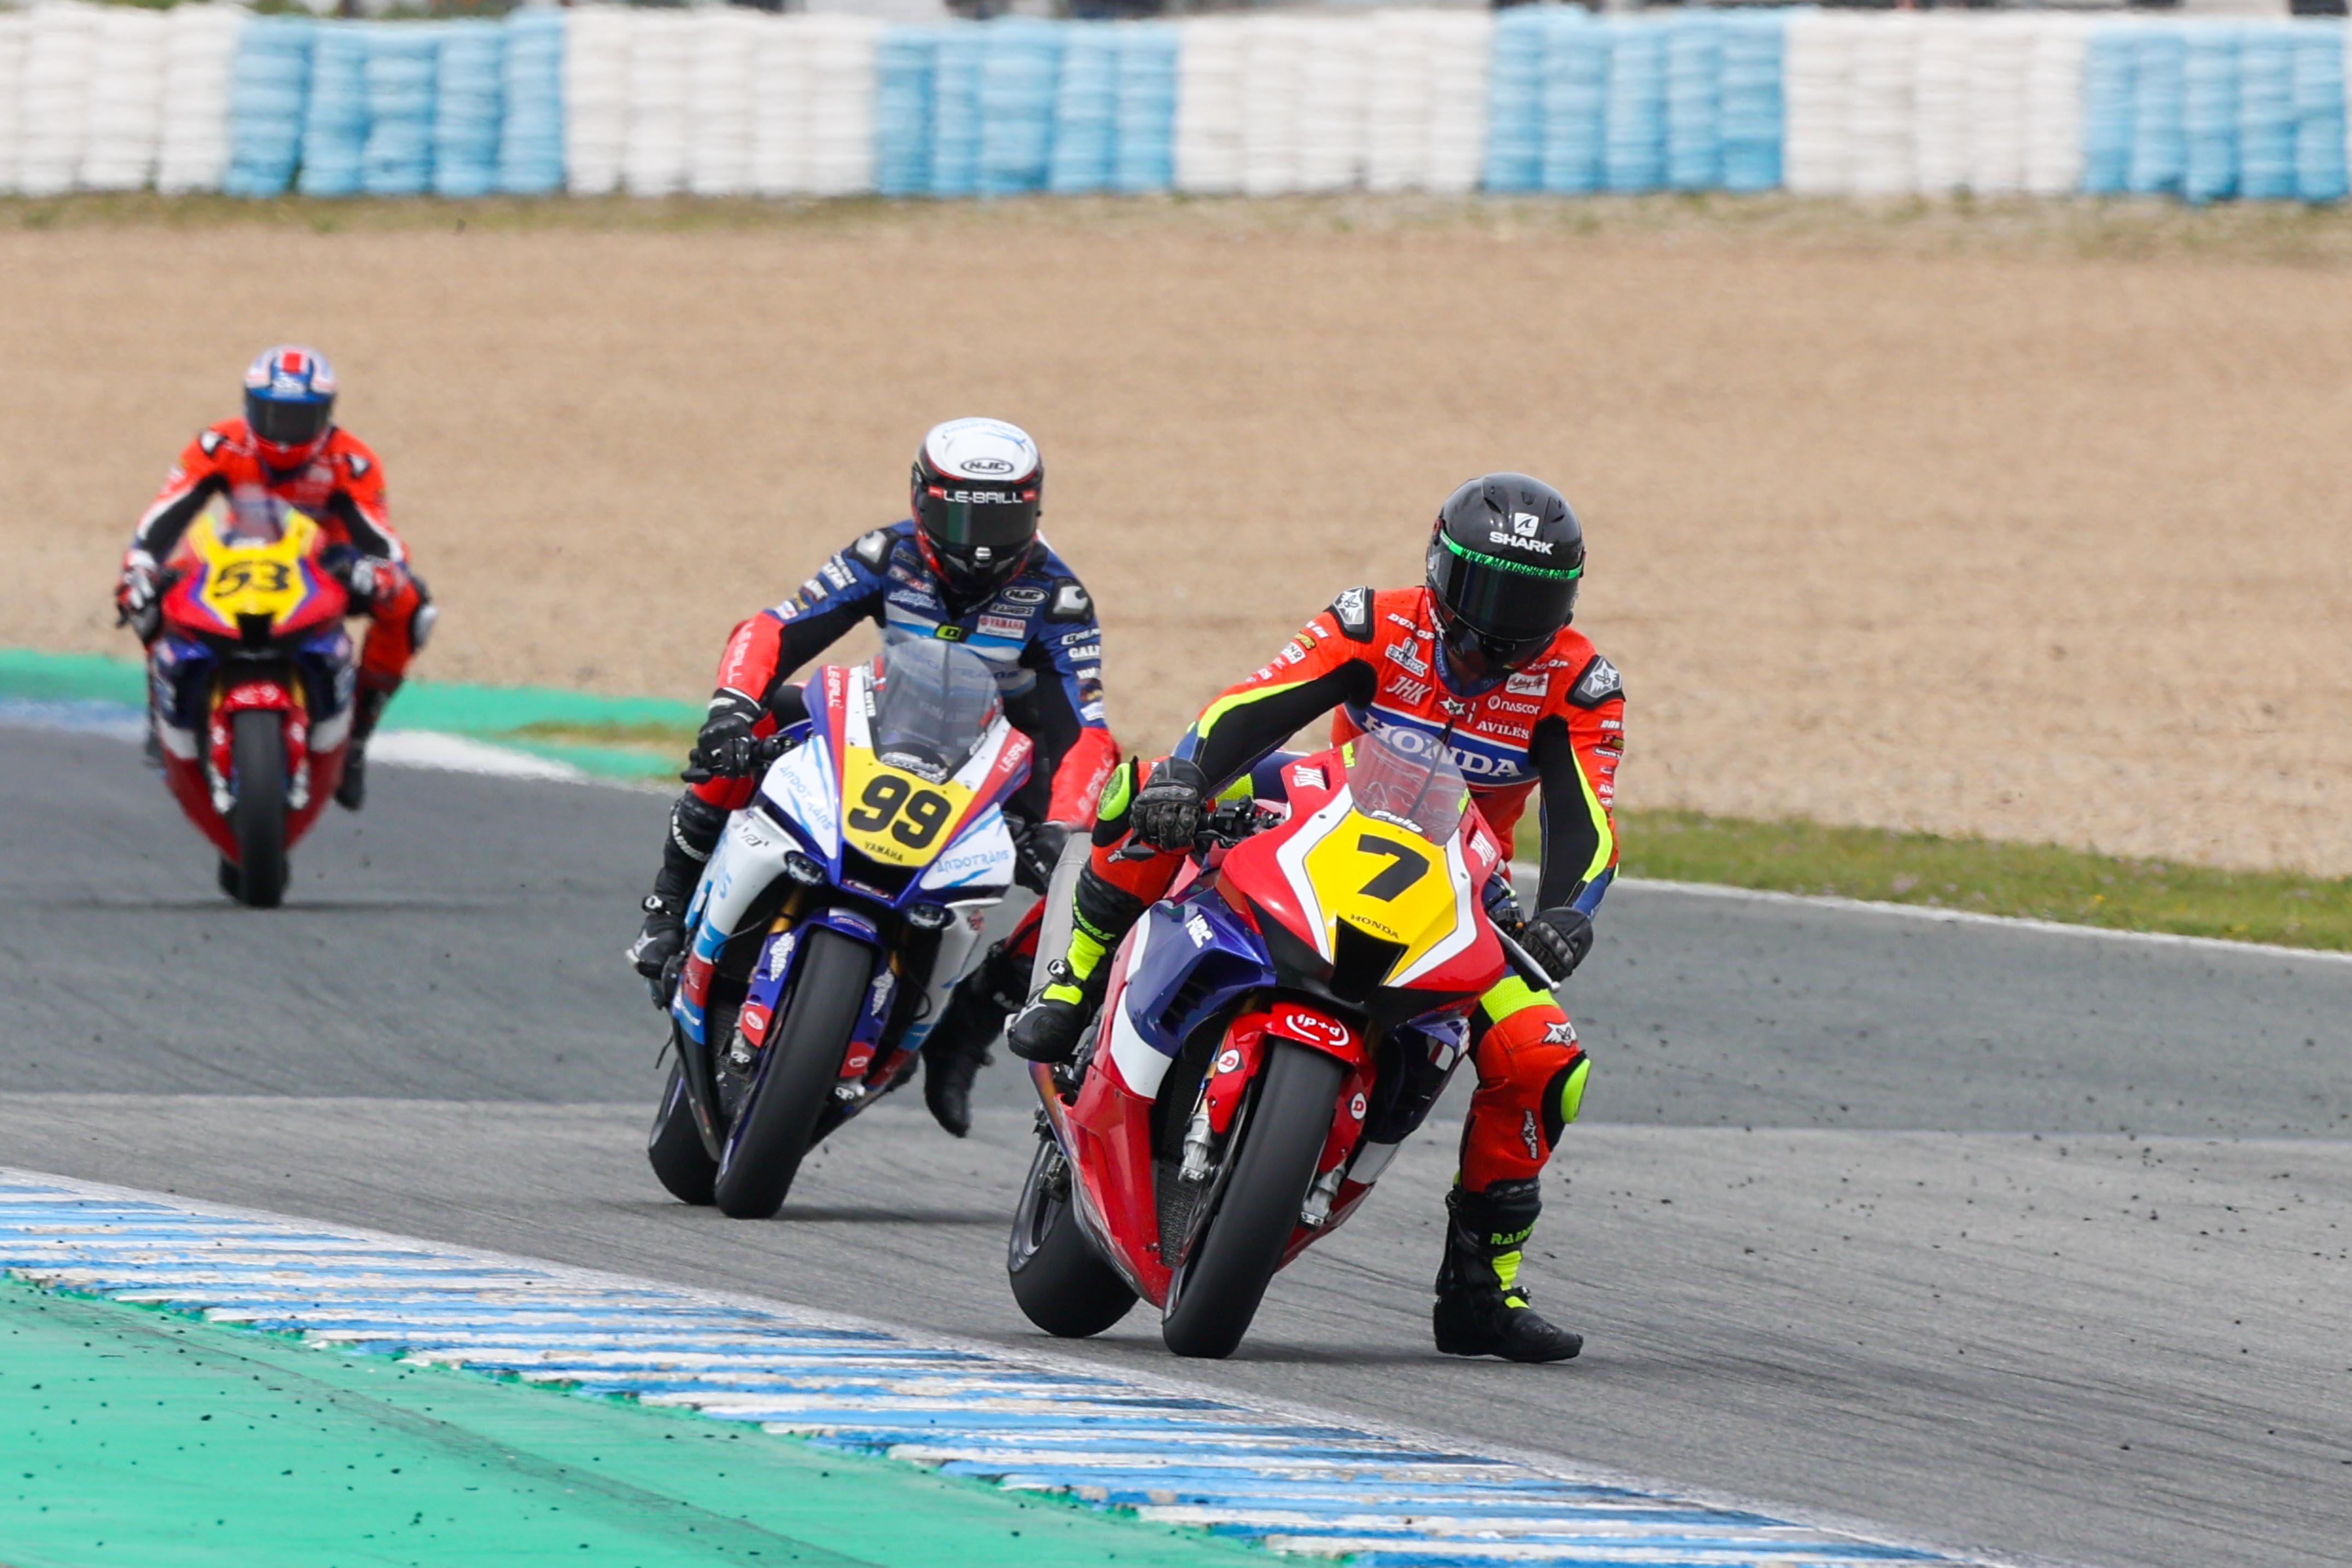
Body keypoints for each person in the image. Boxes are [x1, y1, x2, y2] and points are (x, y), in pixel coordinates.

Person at [1008, 473, 1624, 1364]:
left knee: (1546, 1059)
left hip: (1462, 891)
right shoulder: (1377, 620)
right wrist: (1191, 770)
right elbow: (1260, 701)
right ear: (1441, 572)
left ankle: (1479, 1288)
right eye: (1488, 590)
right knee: (1143, 792)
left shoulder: (1580, 681)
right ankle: (1073, 980)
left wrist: (1570, 910)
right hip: (1319, 811)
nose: (1503, 622)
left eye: (1531, 599)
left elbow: (1588, 819)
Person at [627, 417, 1118, 1138]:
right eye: (962, 514)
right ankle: (668, 901)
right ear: (923, 499)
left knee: (1102, 866)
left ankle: (973, 1017)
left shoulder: (1058, 597)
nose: (980, 541)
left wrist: (1064, 823)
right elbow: (776, 626)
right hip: (889, 718)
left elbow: (1085, 730)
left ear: (1036, 509)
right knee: (747, 727)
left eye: (1003, 515)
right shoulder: (885, 552)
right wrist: (731, 711)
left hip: (1007, 754)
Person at [116, 345, 432, 811]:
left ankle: (359, 734)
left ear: (326, 415)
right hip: (232, 556)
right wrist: (139, 568)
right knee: (150, 592)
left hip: (325, 566)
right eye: (272, 415)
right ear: (249, 407)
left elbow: (381, 537)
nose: (284, 434)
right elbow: (165, 512)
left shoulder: (351, 461)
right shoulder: (219, 445)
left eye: (298, 419)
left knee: (412, 607)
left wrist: (384, 573)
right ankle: (158, 704)